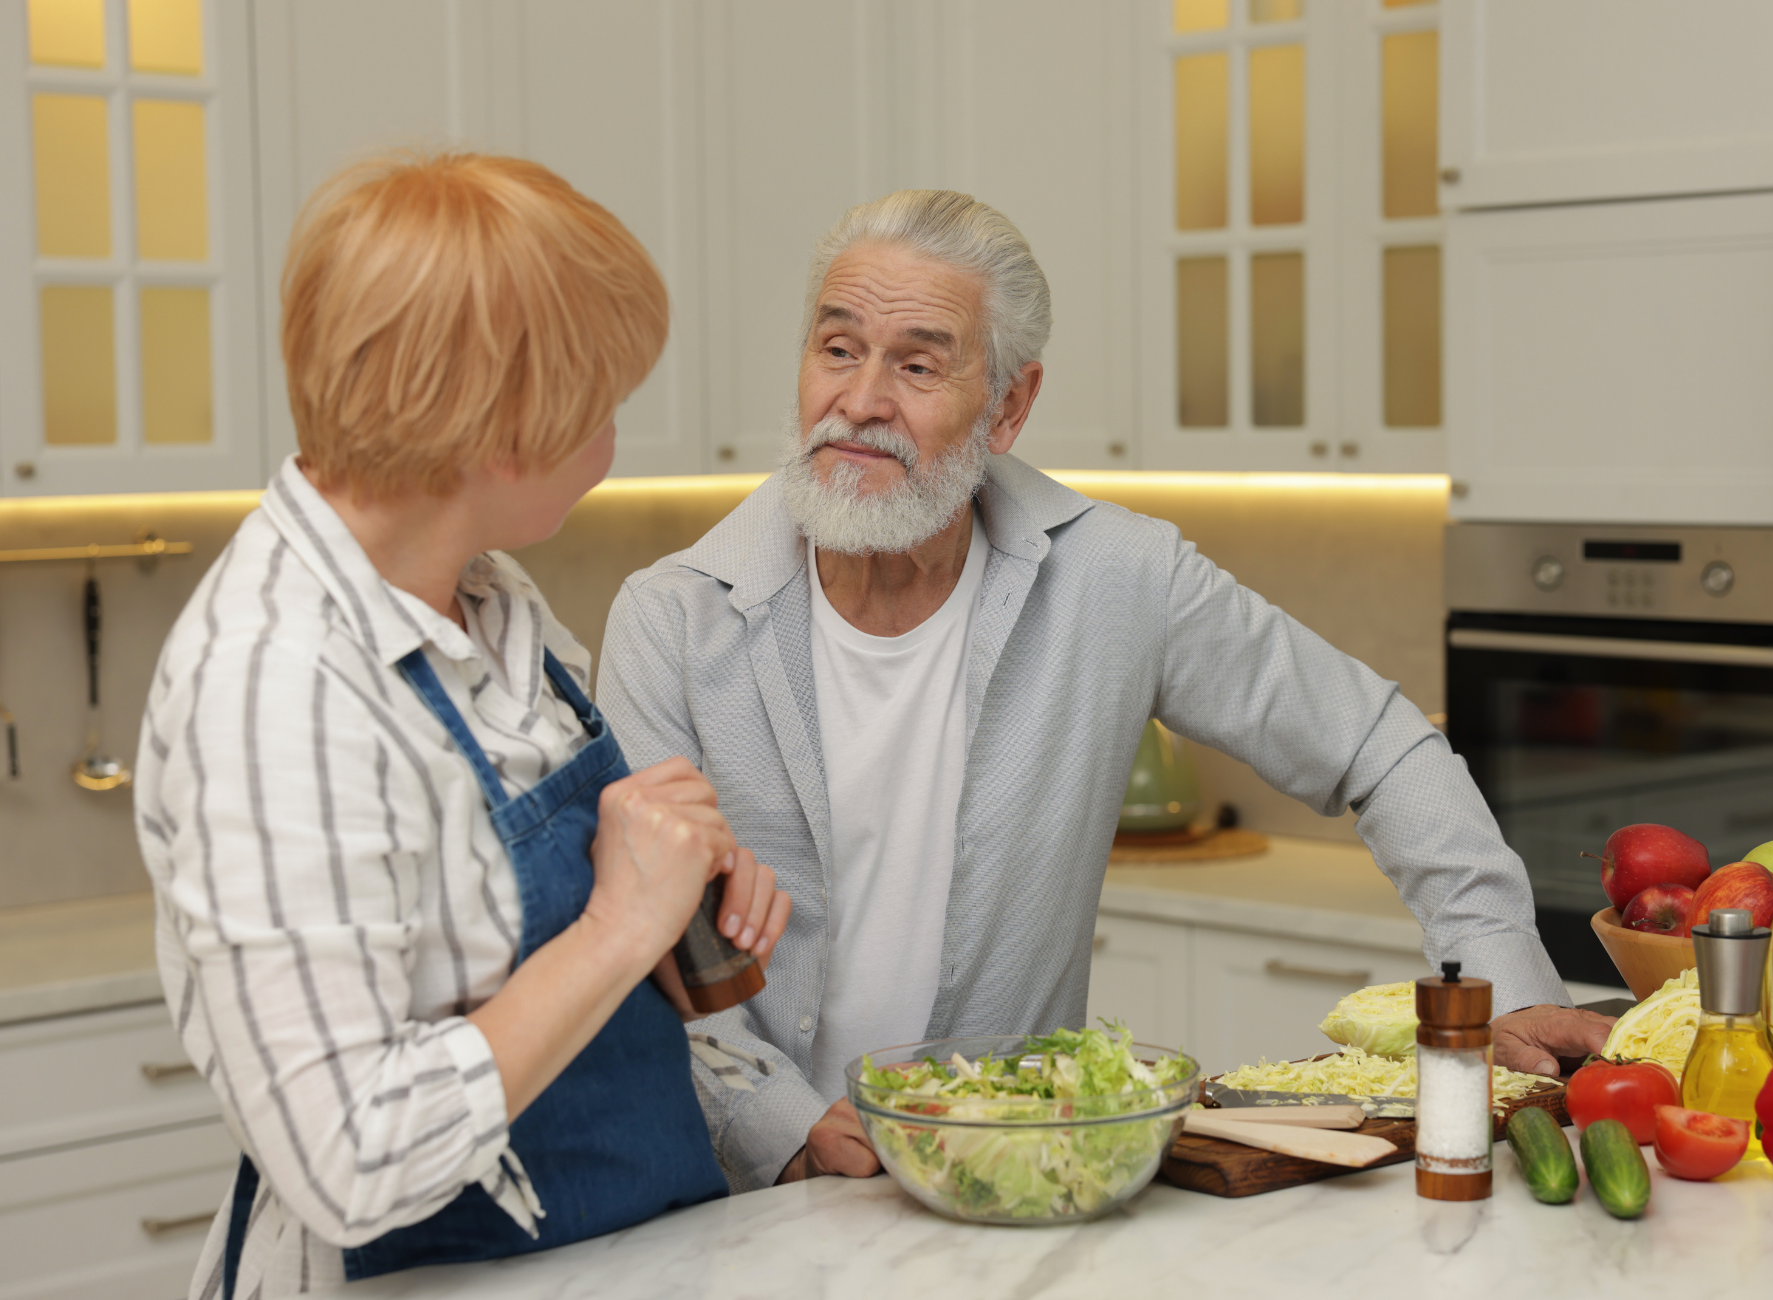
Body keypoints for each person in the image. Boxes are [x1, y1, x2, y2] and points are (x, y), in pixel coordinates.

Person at [595, 189, 1612, 1192]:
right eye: (838, 348)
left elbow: (1379, 744)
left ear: (1009, 405)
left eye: (916, 363)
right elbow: (635, 946)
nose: (861, 400)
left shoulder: (1121, 577)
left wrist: (1506, 983)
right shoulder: (673, 619)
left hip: (1022, 1191)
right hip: (741, 1202)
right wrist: (779, 1122)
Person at [135, 153, 790, 1299]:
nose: (616, 435)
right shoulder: (273, 687)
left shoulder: (487, 601)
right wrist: (613, 933)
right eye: (605, 402)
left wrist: (678, 918)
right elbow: (352, 1156)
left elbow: (526, 952)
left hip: (625, 1250)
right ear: (505, 433)